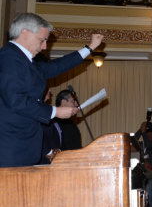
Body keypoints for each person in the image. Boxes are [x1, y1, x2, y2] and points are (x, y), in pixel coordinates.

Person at [0, 13, 103, 167]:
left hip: (21, 150)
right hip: (11, 150)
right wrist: (55, 112)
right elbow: (16, 100)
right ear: (25, 32)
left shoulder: (22, 60)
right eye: (42, 40)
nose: (44, 47)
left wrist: (89, 48)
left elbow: (55, 67)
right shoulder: (9, 58)